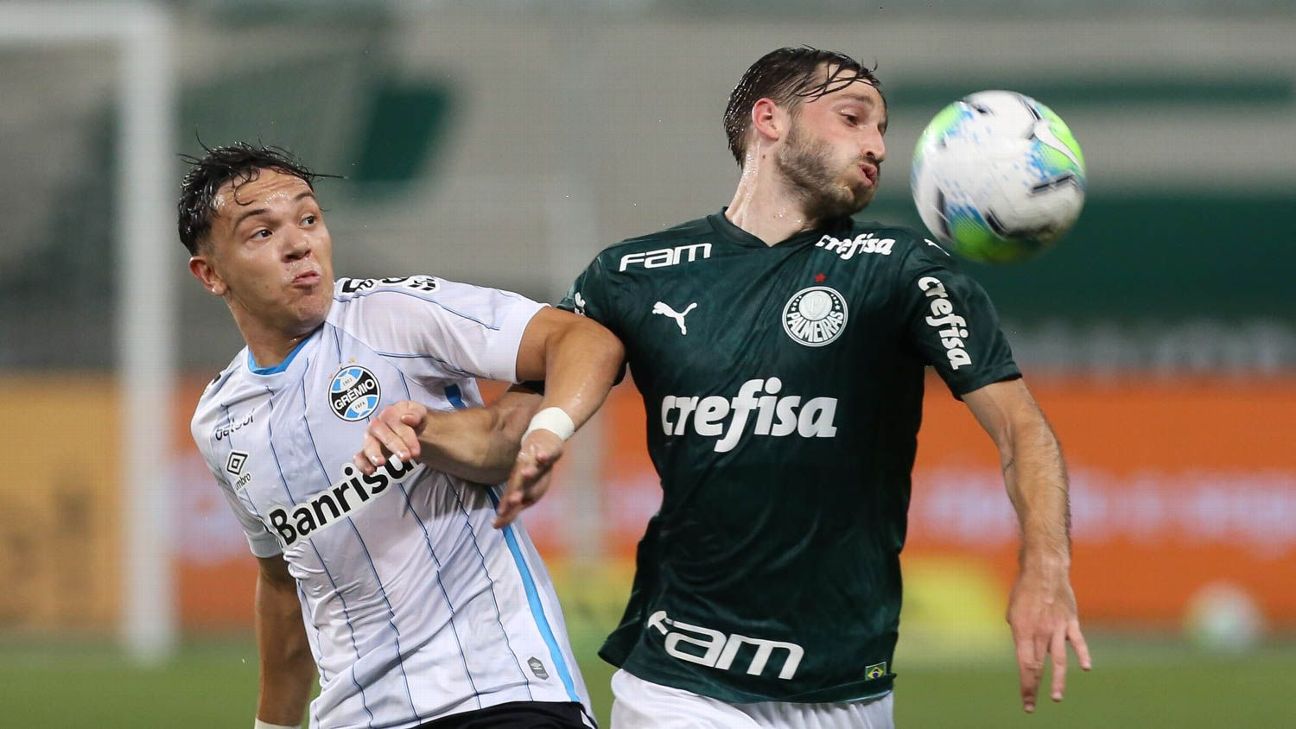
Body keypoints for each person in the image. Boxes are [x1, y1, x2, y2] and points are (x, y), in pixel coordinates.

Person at [555, 47, 1091, 728]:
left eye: (883, 130)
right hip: (679, 684)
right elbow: (518, 411)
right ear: (770, 120)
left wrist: (1046, 566)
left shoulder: (902, 271)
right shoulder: (633, 274)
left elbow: (1022, 429)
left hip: (848, 692)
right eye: (853, 117)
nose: (876, 145)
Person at [181, 143, 622, 729]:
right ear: (211, 274)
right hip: (353, 715)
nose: (299, 245)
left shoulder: (392, 314)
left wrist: (547, 429)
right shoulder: (219, 421)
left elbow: (586, 341)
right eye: (261, 233)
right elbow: (285, 584)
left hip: (499, 690)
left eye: (309, 219)